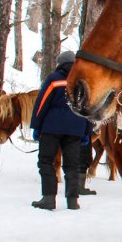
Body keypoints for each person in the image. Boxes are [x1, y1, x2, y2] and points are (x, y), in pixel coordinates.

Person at [29, 51, 88, 210]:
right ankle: (72, 201)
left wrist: (36, 126)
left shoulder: (53, 80)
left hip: (52, 128)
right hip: (75, 128)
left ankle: (48, 198)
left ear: (59, 64)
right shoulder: (82, 82)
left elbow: (42, 104)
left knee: (46, 161)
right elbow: (87, 108)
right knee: (72, 165)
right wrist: (86, 131)